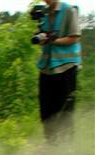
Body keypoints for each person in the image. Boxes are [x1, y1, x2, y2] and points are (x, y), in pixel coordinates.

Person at [35, 0, 82, 141]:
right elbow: (43, 34)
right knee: (46, 113)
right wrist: (42, 37)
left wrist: (53, 40)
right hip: (47, 68)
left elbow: (74, 37)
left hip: (66, 67)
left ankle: (65, 151)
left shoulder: (68, 10)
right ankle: (50, 146)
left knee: (65, 112)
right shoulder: (43, 12)